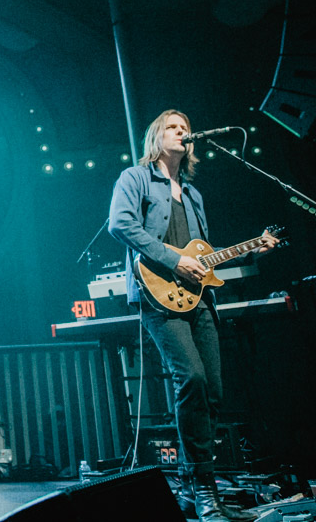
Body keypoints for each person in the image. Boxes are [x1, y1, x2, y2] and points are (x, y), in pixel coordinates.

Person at [108, 110, 278, 522]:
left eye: (186, 129)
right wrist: (173, 260)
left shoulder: (194, 194)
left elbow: (205, 257)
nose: (182, 133)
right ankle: (202, 488)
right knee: (193, 379)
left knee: (214, 390)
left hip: (197, 300)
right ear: (156, 136)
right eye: (173, 127)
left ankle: (193, 485)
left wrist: (251, 249)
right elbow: (120, 224)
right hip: (158, 293)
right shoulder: (136, 178)